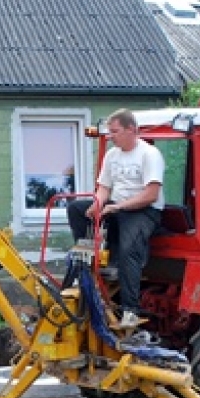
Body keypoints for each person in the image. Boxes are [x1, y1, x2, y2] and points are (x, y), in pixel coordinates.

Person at [67, 108, 164, 329]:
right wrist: (98, 204)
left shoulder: (149, 154)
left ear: (131, 130)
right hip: (117, 206)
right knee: (76, 209)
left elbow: (151, 194)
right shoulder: (112, 155)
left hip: (144, 210)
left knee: (129, 249)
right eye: (108, 132)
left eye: (115, 131)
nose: (111, 137)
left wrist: (117, 207)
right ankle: (87, 259)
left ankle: (130, 310)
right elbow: (103, 188)